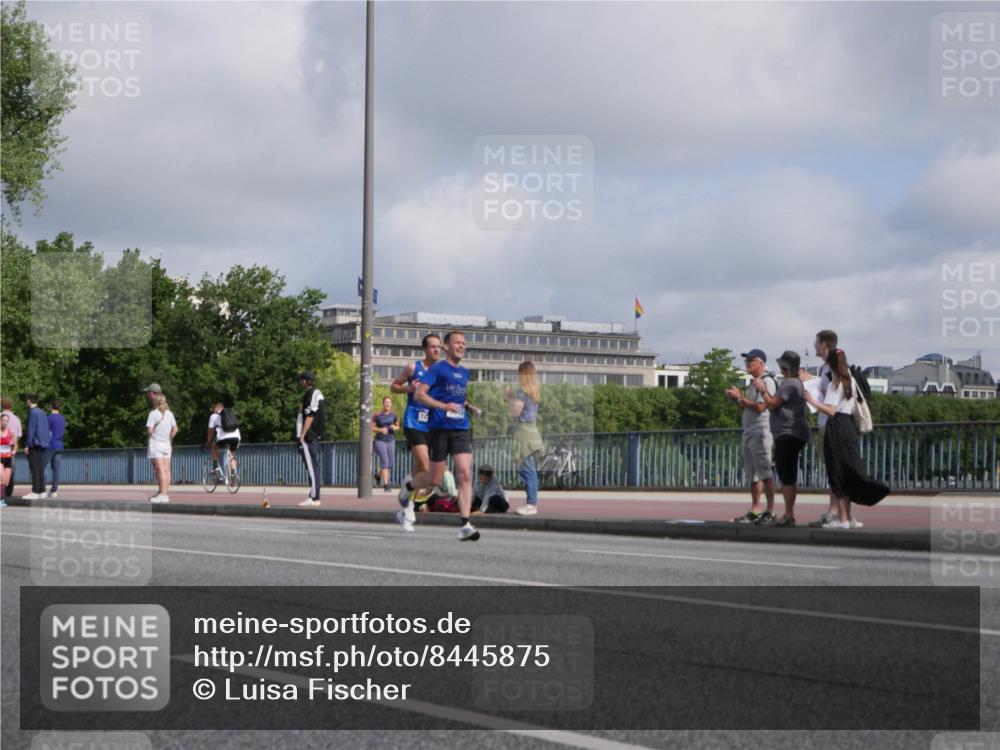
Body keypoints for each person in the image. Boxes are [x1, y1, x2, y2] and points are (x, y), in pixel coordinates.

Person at [398, 331, 482, 541]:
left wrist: (469, 407)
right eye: (457, 343)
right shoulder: (437, 369)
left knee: (464, 473)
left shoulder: (464, 372)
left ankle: (465, 524)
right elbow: (419, 394)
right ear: (447, 347)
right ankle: (408, 487)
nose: (461, 346)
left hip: (461, 427)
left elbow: (457, 398)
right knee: (434, 478)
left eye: (464, 343)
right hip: (438, 429)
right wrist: (443, 406)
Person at [804, 349, 890, 528]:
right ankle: (848, 518)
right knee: (848, 470)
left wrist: (811, 400)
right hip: (849, 426)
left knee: (837, 472)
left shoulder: (835, 383)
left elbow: (830, 410)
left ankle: (842, 519)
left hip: (836, 427)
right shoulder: (850, 380)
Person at [754, 351, 811, 526]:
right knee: (789, 474)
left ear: (784, 367)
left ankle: (788, 515)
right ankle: (789, 513)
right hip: (794, 432)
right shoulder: (796, 383)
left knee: (787, 475)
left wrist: (762, 390)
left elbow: (772, 404)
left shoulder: (789, 384)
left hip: (788, 433)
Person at [391, 334, 441, 529]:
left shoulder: (442, 371)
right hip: (413, 420)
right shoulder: (414, 367)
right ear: (425, 350)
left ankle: (407, 505)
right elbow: (394, 386)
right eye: (433, 347)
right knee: (424, 464)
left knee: (419, 471)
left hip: (433, 422)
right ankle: (408, 495)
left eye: (439, 347)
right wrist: (409, 389)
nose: (437, 350)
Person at [725, 349, 776, 524]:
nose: (747, 363)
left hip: (761, 433)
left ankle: (770, 511)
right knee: (753, 474)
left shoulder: (766, 381)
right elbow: (748, 407)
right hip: (750, 433)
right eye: (747, 360)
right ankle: (755, 509)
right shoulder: (753, 383)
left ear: (761, 363)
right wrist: (738, 400)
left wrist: (740, 397)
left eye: (751, 360)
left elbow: (761, 407)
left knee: (765, 473)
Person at [800, 330, 840, 527]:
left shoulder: (833, 366)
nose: (814, 345)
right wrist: (811, 379)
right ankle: (835, 510)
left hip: (832, 424)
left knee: (835, 468)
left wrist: (811, 400)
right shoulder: (826, 367)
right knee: (831, 468)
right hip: (826, 423)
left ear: (824, 344)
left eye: (816, 342)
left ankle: (836, 511)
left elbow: (833, 399)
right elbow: (826, 389)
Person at [506, 361, 544, 516]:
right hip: (532, 431)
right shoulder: (534, 392)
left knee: (527, 470)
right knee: (530, 469)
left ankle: (531, 504)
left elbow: (515, 412)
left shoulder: (522, 392)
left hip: (523, 432)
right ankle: (531, 502)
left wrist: (509, 398)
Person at [296, 371, 325, 506]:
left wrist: (302, 434)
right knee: (312, 465)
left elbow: (310, 415)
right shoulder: (317, 393)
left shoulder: (310, 394)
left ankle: (315, 497)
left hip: (308, 436)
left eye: (301, 380)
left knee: (312, 466)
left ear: (305, 381)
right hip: (312, 434)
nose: (300, 382)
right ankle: (313, 494)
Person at [146, 393, 178, 503]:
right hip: (166, 444)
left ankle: (162, 494)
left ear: (155, 402)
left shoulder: (153, 414)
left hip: (156, 443)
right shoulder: (170, 414)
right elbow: (175, 429)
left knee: (160, 470)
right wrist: (168, 437)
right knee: (166, 469)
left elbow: (150, 430)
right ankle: (165, 493)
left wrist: (155, 433)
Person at [22, 394, 51, 501]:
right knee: (40, 467)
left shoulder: (32, 413)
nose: (26, 402)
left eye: (26, 400)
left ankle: (35, 490)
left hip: (34, 443)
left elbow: (31, 429)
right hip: (43, 443)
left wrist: (27, 445)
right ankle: (42, 490)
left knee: (34, 467)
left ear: (29, 401)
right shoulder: (42, 412)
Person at [206, 402, 241, 478]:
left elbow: (210, 431)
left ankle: (215, 467)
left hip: (223, 438)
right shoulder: (231, 414)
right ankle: (233, 473)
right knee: (232, 455)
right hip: (236, 437)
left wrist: (209, 441)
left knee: (214, 447)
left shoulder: (213, 416)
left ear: (216, 409)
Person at [372, 397, 399, 492]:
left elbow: (398, 426)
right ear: (383, 404)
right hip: (380, 441)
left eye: (389, 402)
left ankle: (378, 475)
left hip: (391, 440)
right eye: (385, 402)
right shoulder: (377, 415)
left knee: (391, 463)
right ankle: (386, 485)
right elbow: (372, 427)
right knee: (385, 462)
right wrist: (380, 430)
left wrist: (394, 427)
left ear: (391, 404)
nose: (387, 404)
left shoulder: (394, 415)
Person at [0, 398, 22, 499]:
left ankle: (3, 493)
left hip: (5, 449)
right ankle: (7, 493)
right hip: (9, 449)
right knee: (8, 472)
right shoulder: (17, 419)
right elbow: (19, 435)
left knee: (4, 475)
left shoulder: (1, 417)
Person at [46, 400, 66, 499]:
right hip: (59, 444)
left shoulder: (49, 418)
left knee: (42, 466)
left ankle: (40, 488)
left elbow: (45, 432)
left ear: (51, 407)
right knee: (56, 469)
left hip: (50, 445)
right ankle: (54, 490)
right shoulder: (62, 418)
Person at [0, 413, 16, 507]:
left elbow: (15, 444)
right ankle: (1, 499)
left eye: (6, 421)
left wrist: (14, 450)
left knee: (6, 481)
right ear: (0, 421)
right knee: (1, 479)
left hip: (8, 458)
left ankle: (2, 498)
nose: (5, 422)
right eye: (3, 420)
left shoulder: (11, 433)